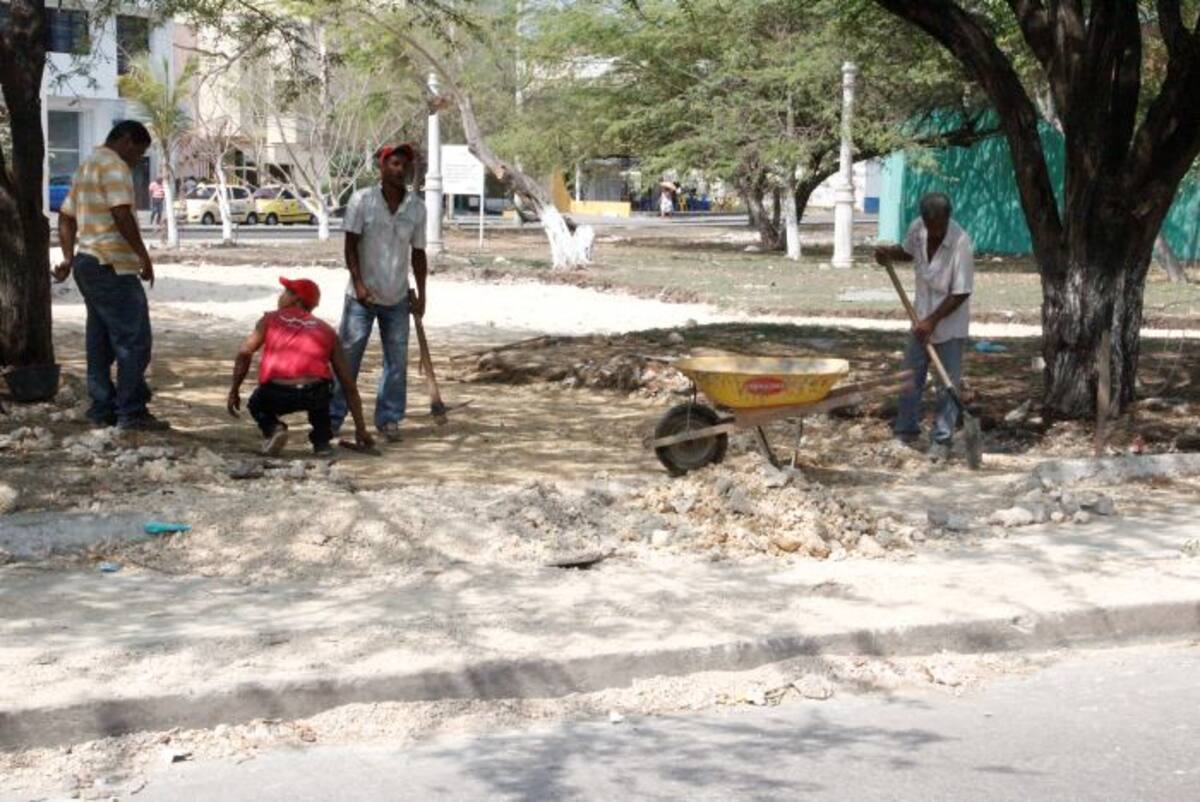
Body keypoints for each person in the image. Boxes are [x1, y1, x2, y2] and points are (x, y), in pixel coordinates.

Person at [53, 121, 167, 431]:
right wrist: (143, 256)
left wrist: (68, 258)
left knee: (100, 341)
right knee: (134, 340)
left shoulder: (87, 166)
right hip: (111, 264)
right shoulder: (115, 167)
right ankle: (131, 411)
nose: (137, 160)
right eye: (139, 153)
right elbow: (120, 213)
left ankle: (101, 409)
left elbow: (65, 216)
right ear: (127, 141)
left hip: (87, 262)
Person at [330, 144, 428, 443]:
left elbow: (419, 254)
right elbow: (350, 246)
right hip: (361, 298)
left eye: (405, 165)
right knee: (347, 358)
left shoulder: (417, 208)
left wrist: (422, 294)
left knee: (396, 362)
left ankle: (388, 418)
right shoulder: (362, 200)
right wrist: (359, 284)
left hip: (397, 297)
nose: (400, 170)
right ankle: (332, 417)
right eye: (394, 164)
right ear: (382, 167)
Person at [873, 192, 974, 462]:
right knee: (910, 376)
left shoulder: (961, 243)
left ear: (948, 218)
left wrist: (933, 321)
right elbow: (908, 252)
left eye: (940, 224)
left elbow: (961, 292)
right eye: (931, 225)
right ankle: (905, 432)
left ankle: (942, 439)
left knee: (946, 383)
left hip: (948, 323)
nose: (935, 231)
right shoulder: (918, 229)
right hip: (919, 319)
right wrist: (888, 254)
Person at [227, 277, 374, 456]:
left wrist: (234, 389)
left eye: (285, 292)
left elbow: (244, 352)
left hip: (277, 392)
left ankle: (275, 429)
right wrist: (361, 429)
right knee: (322, 396)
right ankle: (322, 442)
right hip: (313, 393)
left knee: (256, 404)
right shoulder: (327, 330)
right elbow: (347, 383)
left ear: (296, 299)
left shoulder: (270, 319)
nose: (280, 296)